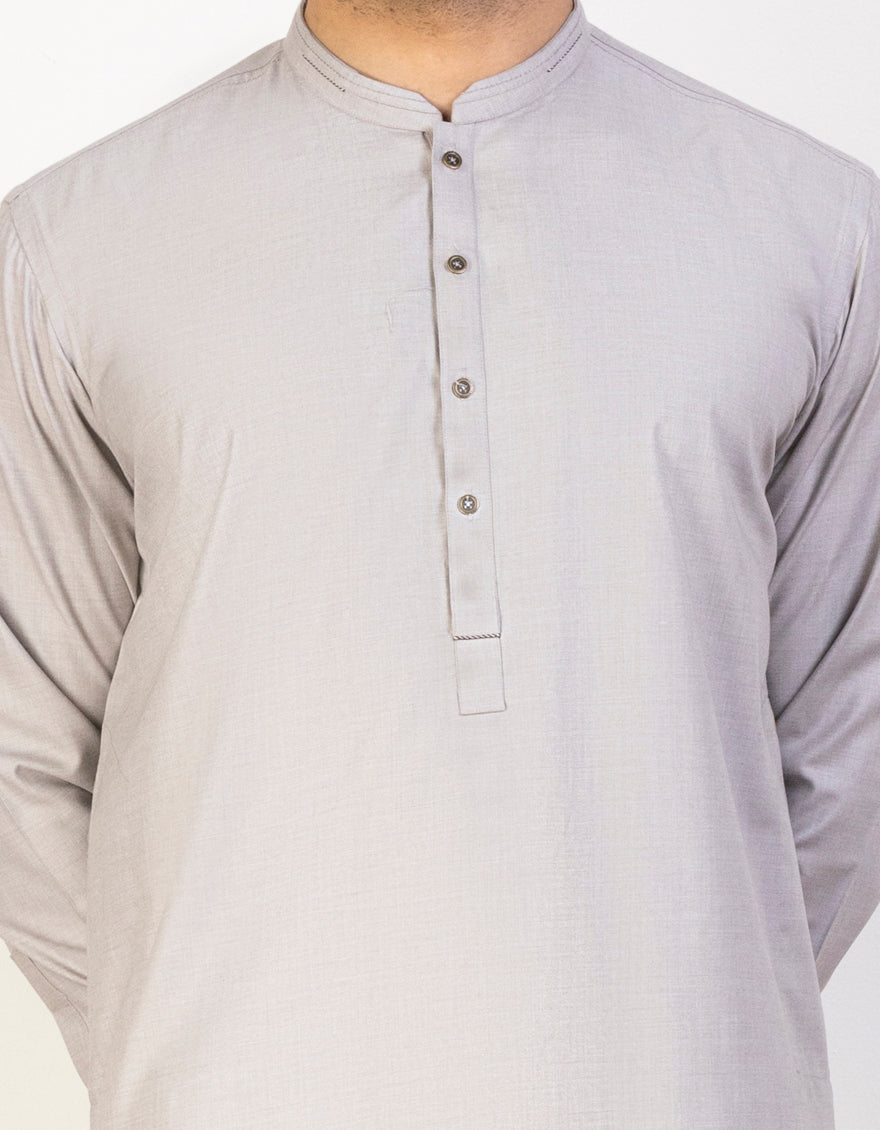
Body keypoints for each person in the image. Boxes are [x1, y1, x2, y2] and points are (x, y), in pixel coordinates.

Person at [1, 0, 878, 1126]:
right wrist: (189, 1042)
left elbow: (850, 740)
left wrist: (695, 1006)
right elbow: (25, 749)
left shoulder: (814, 225)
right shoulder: (72, 244)